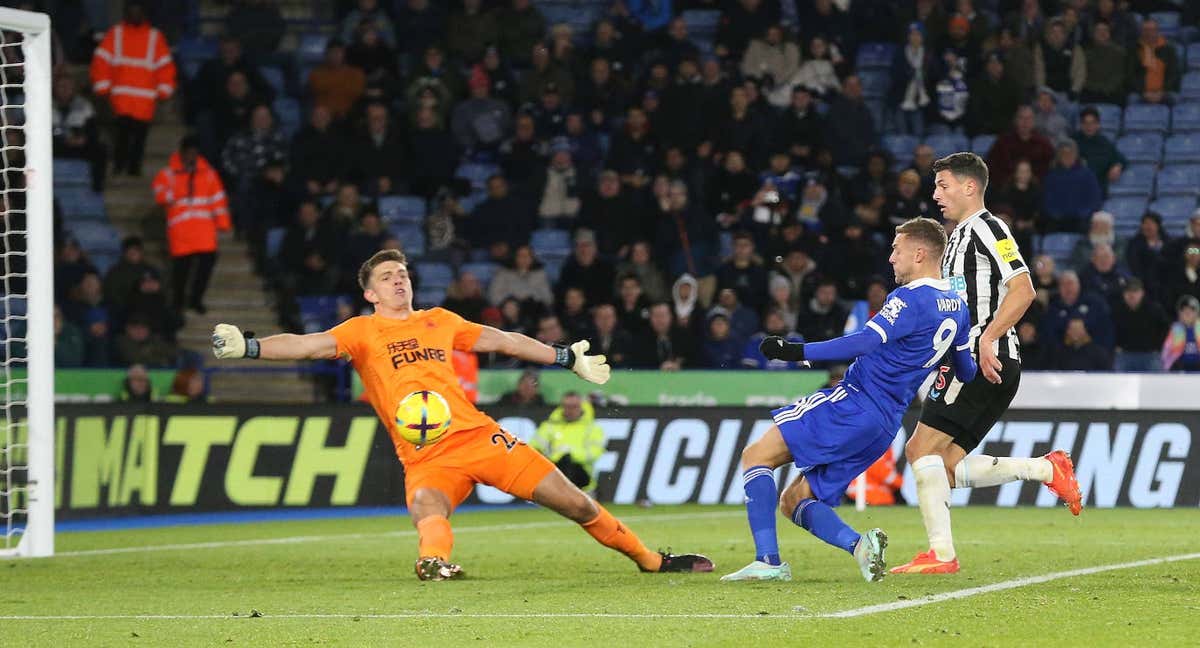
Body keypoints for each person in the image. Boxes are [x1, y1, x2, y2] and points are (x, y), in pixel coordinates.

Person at [211, 249, 711, 580]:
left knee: (577, 504)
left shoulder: (440, 321)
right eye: (386, 277)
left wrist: (566, 358)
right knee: (428, 508)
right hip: (427, 456)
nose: (398, 281)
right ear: (370, 294)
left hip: (479, 438)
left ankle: (649, 560)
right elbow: (305, 345)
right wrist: (250, 346)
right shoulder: (359, 331)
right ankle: (434, 564)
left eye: (402, 274)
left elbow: (505, 340)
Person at [721, 218, 976, 583]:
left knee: (755, 456)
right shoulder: (958, 307)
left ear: (919, 254)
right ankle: (860, 546)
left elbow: (863, 342)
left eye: (896, 250)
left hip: (853, 402)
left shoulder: (909, 298)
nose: (891, 258)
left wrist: (796, 351)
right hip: (884, 425)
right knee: (794, 501)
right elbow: (965, 371)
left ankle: (767, 561)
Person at [893, 153, 1081, 576]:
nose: (935, 194)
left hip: (981, 359)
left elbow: (1024, 288)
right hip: (976, 359)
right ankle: (1047, 469)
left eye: (942, 185)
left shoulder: (988, 228)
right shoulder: (957, 237)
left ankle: (941, 554)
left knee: (919, 449)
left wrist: (989, 337)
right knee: (944, 466)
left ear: (969, 187)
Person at [90, 1, 175, 177]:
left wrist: (164, 89)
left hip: (143, 100)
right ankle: (121, 167)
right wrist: (103, 87)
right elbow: (101, 61)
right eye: (132, 11)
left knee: (139, 139)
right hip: (122, 100)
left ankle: (132, 169)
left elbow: (164, 66)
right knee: (122, 137)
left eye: (138, 11)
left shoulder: (154, 37)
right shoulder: (117, 34)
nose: (135, 15)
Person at [152, 136, 231, 315]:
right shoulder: (168, 174)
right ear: (182, 153)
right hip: (181, 232)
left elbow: (217, 200)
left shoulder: (209, 174)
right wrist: (173, 195)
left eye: (194, 153)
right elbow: (160, 193)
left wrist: (223, 223)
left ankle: (196, 300)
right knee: (181, 271)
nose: (191, 156)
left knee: (204, 269)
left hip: (204, 232)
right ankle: (179, 301)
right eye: (188, 153)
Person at [531, 391, 606, 491]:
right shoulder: (549, 426)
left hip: (582, 478)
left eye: (574, 406)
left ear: (581, 406)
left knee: (568, 461)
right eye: (567, 406)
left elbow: (595, 453)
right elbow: (534, 448)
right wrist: (557, 455)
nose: (570, 410)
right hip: (555, 471)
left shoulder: (592, 429)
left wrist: (570, 453)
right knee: (562, 463)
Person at [1113, 278, 1169, 372]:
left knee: (1158, 383)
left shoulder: (1154, 310)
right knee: (1118, 382)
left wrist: (1158, 348)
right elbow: (1110, 331)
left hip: (1150, 355)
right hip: (1125, 354)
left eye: (1135, 291)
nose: (1131, 295)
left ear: (1142, 293)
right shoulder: (1117, 310)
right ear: (1123, 294)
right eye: (1128, 291)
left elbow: (1165, 329)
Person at [1162, 295, 1200, 372]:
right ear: (1179, 314)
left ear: (1197, 313)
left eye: (1191, 311)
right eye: (1184, 311)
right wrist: (1166, 366)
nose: (1187, 313)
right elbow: (1166, 350)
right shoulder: (1175, 329)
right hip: (1180, 366)